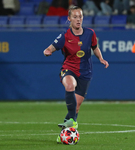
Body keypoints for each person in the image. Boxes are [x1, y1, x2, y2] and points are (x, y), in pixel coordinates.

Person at [43, 6, 109, 143]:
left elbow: (95, 48)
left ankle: (64, 132)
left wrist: (101, 58)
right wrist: (47, 52)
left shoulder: (90, 33)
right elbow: (50, 48)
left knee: (76, 107)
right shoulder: (64, 36)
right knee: (70, 85)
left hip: (85, 72)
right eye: (75, 17)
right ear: (69, 19)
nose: (78, 20)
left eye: (80, 17)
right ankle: (73, 122)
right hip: (69, 69)